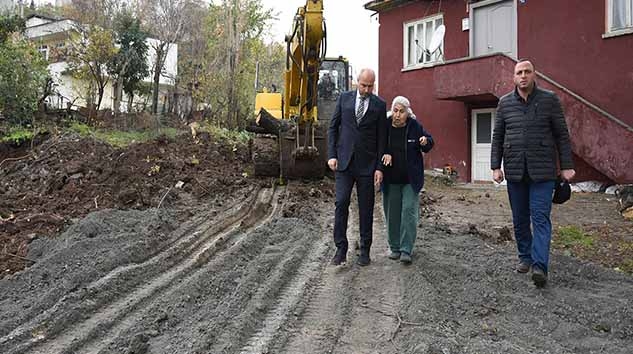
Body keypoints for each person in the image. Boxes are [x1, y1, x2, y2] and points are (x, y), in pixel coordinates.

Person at [491, 59, 575, 287]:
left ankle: (540, 266)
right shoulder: (505, 103)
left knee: (540, 218)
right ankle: (525, 258)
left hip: (543, 172)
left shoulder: (549, 100)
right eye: (519, 72)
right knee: (519, 219)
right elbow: (498, 136)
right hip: (515, 170)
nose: (524, 76)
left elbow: (561, 135)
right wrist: (495, 166)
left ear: (534, 75)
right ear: (514, 77)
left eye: (527, 71)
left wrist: (567, 165)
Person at [327, 68, 387, 266]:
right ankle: (340, 249)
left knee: (366, 208)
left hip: (367, 165)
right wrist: (332, 155)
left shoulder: (379, 105)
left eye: (370, 86)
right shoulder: (344, 99)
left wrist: (379, 167)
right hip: (344, 163)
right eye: (363, 85)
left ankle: (365, 250)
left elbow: (382, 139)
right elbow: (333, 127)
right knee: (341, 203)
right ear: (357, 82)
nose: (367, 89)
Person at [381, 96, 434, 264]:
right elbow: (379, 146)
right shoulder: (385, 126)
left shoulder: (414, 126)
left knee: (409, 212)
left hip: (411, 179)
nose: (397, 115)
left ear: (408, 113)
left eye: (401, 112)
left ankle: (406, 249)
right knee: (392, 213)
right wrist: (385, 153)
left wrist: (425, 141)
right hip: (391, 178)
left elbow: (429, 142)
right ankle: (394, 247)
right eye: (395, 111)